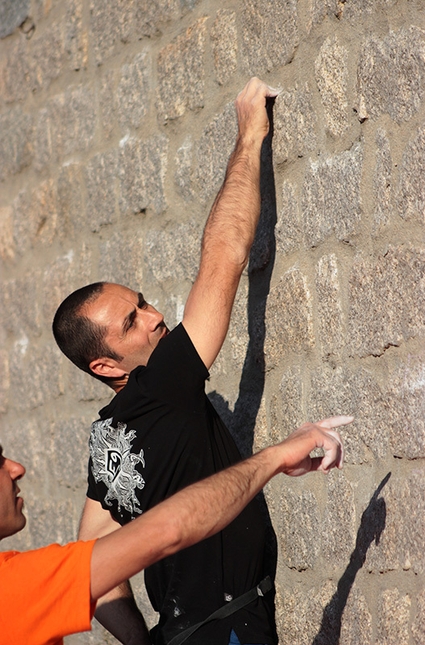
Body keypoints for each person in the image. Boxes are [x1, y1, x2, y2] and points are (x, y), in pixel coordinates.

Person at [52, 77, 289, 644]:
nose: (156, 317)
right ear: (106, 367)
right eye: (131, 323)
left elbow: (93, 565)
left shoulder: (107, 437)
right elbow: (225, 255)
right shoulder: (165, 385)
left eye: (141, 303)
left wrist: (143, 641)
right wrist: (250, 132)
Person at [0, 416, 352, 645]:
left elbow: (94, 537)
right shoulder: (12, 590)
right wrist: (276, 456)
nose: (16, 468)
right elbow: (169, 529)